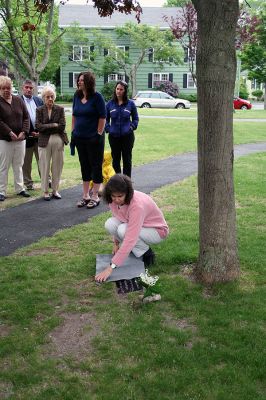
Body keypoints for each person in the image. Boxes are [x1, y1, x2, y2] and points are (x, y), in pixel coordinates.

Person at [95, 174, 169, 282]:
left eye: (120, 196)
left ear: (127, 193)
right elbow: (118, 217)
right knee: (110, 223)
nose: (116, 199)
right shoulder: (113, 200)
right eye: (113, 196)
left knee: (123, 230)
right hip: (138, 226)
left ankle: (147, 254)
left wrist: (111, 268)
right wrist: (116, 244)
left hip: (157, 231)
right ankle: (134, 250)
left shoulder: (137, 206)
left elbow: (130, 237)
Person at [72, 71, 106, 209]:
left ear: (89, 82)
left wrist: (98, 134)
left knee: (96, 166)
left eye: (82, 80)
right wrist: (73, 131)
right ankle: (85, 195)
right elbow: (74, 115)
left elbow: (102, 117)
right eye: (78, 80)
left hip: (94, 139)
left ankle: (95, 196)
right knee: (84, 165)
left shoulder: (97, 97)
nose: (79, 82)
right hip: (80, 137)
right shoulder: (77, 95)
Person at [0, 76, 30, 201]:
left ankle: (20, 188)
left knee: (18, 165)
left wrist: (24, 131)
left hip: (20, 139)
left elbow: (26, 117)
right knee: (4, 166)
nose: (7, 90)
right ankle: (1, 191)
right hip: (5, 140)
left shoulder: (18, 100)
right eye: (4, 88)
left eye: (9, 88)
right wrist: (10, 132)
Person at [35, 86, 68, 201]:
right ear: (43, 98)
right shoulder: (39, 110)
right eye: (47, 97)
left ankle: (55, 190)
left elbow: (62, 126)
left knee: (57, 166)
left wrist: (48, 127)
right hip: (44, 141)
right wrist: (53, 125)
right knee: (44, 166)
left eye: (52, 96)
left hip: (58, 140)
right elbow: (38, 126)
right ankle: (45, 191)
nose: (50, 99)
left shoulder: (60, 109)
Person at [105, 81, 139, 178]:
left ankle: (127, 182)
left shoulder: (130, 104)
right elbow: (105, 120)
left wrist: (132, 127)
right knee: (115, 160)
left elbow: (136, 118)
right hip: (113, 137)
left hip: (127, 137)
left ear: (125, 91)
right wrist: (108, 129)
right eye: (117, 89)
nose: (118, 91)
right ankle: (118, 182)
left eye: (121, 89)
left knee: (127, 160)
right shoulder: (109, 104)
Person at [21, 79, 43, 190]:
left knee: (43, 161)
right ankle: (28, 184)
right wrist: (28, 132)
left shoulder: (39, 101)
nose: (29, 90)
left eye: (31, 88)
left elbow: (44, 118)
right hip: (27, 137)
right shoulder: (18, 101)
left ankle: (46, 181)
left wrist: (41, 132)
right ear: (22, 88)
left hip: (40, 137)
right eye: (27, 87)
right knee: (26, 163)